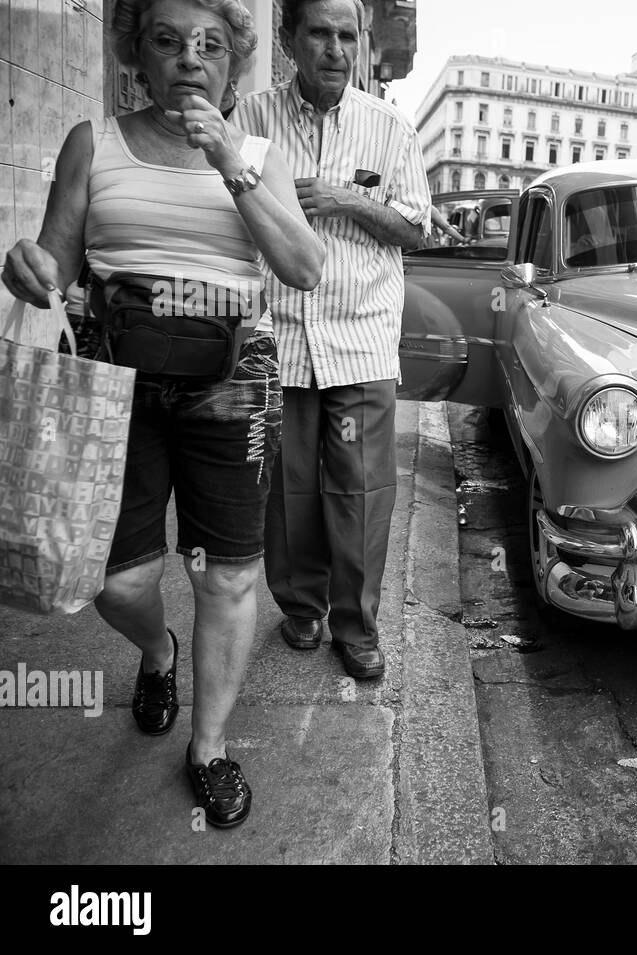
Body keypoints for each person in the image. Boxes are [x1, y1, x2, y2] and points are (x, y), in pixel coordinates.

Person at [2, 0, 323, 829]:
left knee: (228, 575)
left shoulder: (256, 153)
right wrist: (23, 268)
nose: (191, 58)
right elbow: (53, 267)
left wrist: (229, 162)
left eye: (213, 46)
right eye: (169, 41)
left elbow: (302, 267)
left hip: (231, 384)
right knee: (116, 578)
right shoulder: (94, 141)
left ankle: (209, 746)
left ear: (234, 66)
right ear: (136, 54)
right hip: (115, 382)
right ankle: (157, 650)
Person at [236, 0, 432, 681]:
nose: (335, 49)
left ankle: (357, 625)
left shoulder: (391, 128)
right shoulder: (251, 120)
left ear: (362, 40)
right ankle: (300, 607)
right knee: (287, 493)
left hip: (361, 341)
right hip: (280, 339)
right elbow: (223, 215)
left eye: (347, 34)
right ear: (289, 39)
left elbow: (417, 229)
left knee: (360, 491)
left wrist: (345, 199)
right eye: (319, 33)